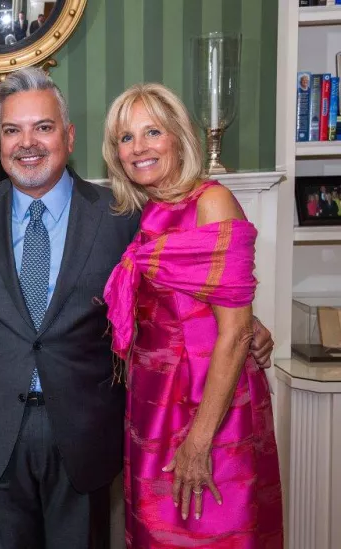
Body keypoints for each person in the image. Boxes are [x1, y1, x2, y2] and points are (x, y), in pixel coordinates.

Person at [0, 68, 273, 549]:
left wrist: (246, 321)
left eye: (43, 126)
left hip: (85, 435)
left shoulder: (122, 215)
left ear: (69, 135)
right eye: (12, 130)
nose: (27, 142)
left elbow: (182, 278)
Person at [101, 83, 283, 548]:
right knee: (156, 531)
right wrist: (249, 323)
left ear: (179, 137)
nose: (138, 147)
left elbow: (233, 331)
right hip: (153, 402)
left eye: (151, 132)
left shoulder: (211, 201)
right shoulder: (150, 210)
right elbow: (203, 299)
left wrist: (200, 441)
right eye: (126, 138)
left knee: (210, 533)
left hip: (206, 407)